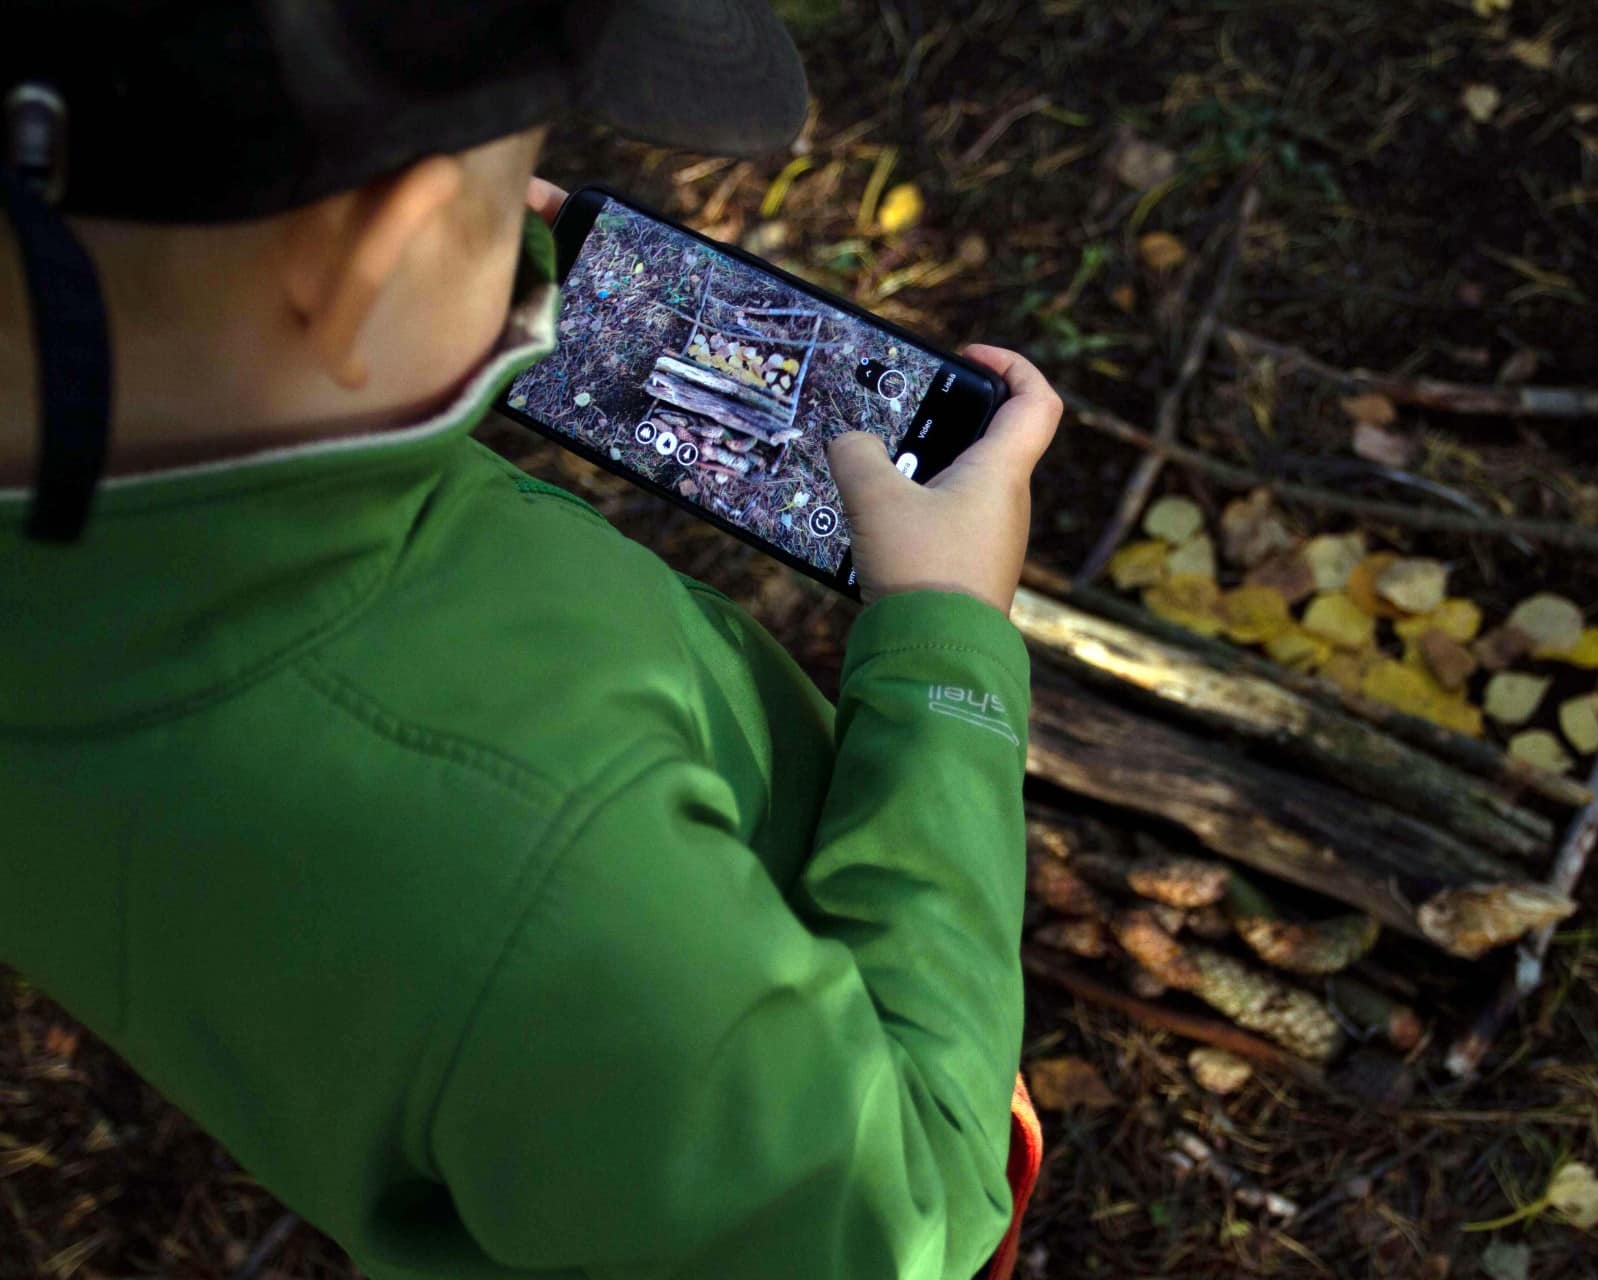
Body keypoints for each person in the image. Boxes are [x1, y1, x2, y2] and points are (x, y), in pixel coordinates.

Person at [0, 4, 1056, 1278]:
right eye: (506, 198)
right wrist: (946, 659)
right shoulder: (551, 869)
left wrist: (444, 305)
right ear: (378, 252)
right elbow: (901, 1217)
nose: (535, 256)